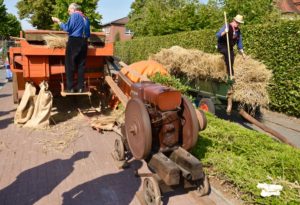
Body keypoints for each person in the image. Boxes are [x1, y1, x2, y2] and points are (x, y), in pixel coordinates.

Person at [52, 3, 91, 93]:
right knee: (81, 65)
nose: (68, 12)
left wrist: (59, 22)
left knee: (70, 64)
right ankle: (81, 88)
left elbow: (68, 28)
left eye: (69, 10)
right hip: (84, 42)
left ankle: (70, 88)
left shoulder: (74, 15)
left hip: (74, 41)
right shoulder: (85, 18)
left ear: (73, 9)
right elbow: (88, 33)